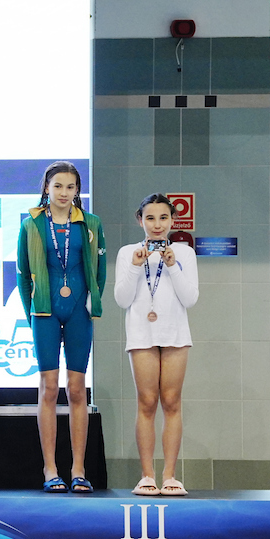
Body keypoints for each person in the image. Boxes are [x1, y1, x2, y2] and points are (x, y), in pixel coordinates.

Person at [16, 160, 106, 494]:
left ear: (77, 190)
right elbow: (23, 276)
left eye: (70, 187)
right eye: (58, 186)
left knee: (78, 389)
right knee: (49, 388)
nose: (64, 193)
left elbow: (99, 272)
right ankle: (51, 469)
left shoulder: (91, 223)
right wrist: (33, 314)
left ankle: (78, 469)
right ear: (46, 188)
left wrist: (91, 302)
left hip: (79, 311)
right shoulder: (31, 224)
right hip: (45, 312)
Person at [113, 193, 198, 497]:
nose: (157, 224)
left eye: (163, 218)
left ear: (173, 220)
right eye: (150, 218)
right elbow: (122, 299)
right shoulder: (128, 252)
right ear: (140, 220)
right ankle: (147, 476)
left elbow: (190, 298)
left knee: (172, 402)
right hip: (141, 334)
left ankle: (170, 476)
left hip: (175, 333)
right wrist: (136, 266)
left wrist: (172, 265)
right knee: (147, 402)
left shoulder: (184, 252)